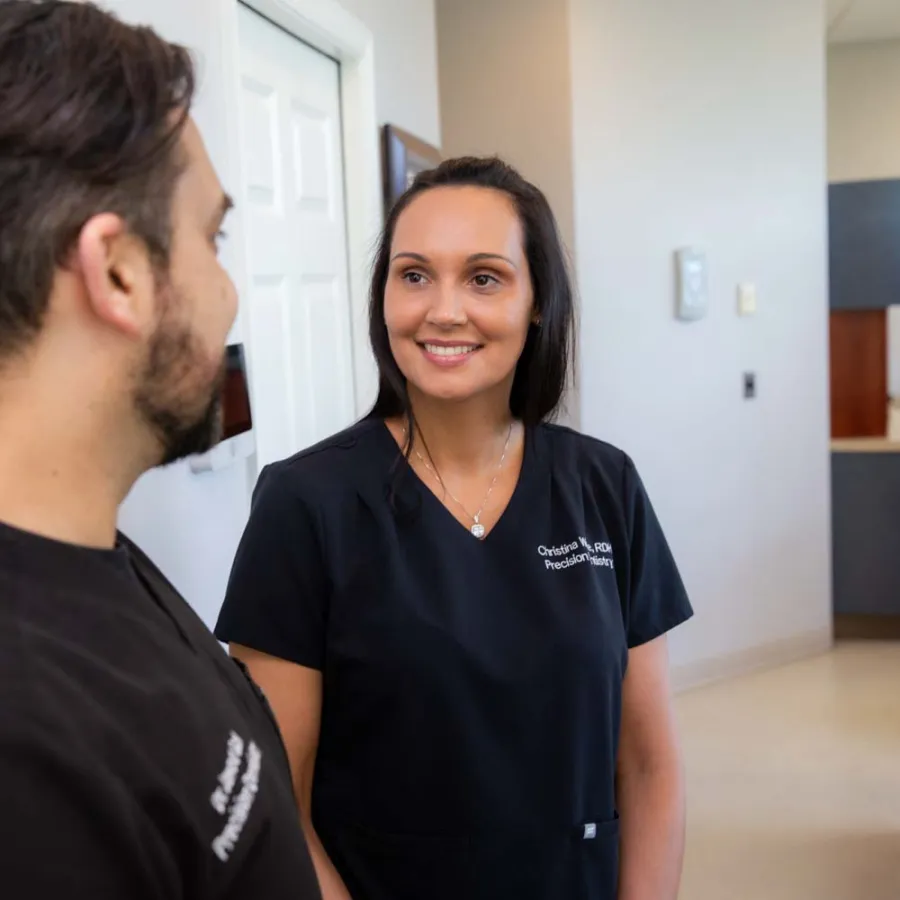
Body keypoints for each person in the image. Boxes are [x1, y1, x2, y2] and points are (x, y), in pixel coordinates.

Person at [215, 156, 693, 900]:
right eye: (413, 275)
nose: (443, 310)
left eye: (484, 277)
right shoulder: (306, 504)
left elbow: (650, 766)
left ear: (537, 302)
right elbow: (279, 801)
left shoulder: (605, 487)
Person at [0, 3, 321, 897]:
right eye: (211, 238)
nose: (227, 293)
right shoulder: (26, 757)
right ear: (118, 272)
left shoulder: (87, 545)